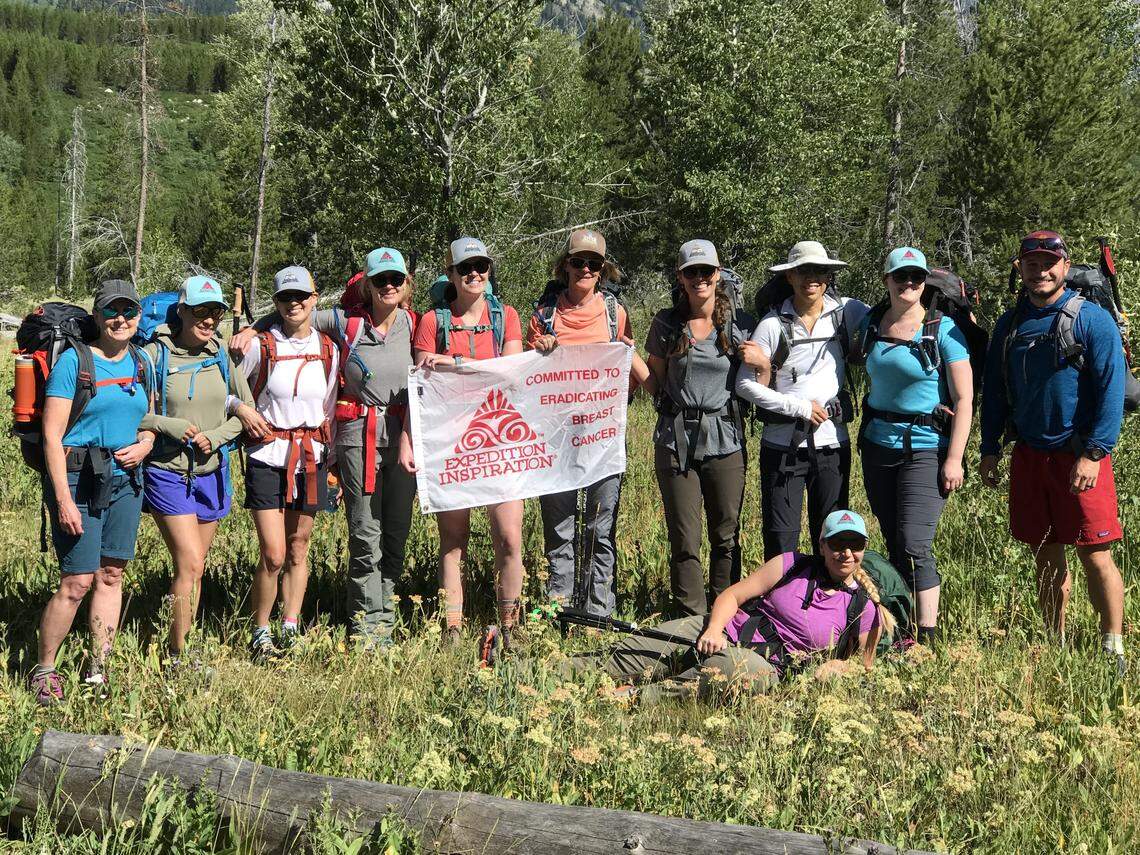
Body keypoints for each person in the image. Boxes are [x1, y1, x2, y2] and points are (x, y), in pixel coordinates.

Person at [231, 249, 418, 647]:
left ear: (405, 285)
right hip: (357, 437)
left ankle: (387, 618)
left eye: (396, 280)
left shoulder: (414, 324)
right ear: (366, 284)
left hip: (402, 435)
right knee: (365, 532)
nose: (388, 286)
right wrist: (251, 329)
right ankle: (366, 628)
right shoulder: (344, 322)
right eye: (380, 279)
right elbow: (291, 316)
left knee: (397, 532)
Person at [979, 230, 1127, 674]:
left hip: (1080, 456)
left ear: (1064, 267)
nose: (1040, 270)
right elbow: (995, 394)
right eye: (1031, 262)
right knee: (1045, 550)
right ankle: (1055, 639)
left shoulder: (1092, 320)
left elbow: (1111, 390)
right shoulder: (1009, 325)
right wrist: (989, 448)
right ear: (1019, 268)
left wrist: (1095, 452)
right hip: (1029, 455)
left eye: (1049, 262)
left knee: (1095, 553)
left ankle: (1112, 645)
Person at [556, 510, 892, 704]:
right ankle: (523, 673)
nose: (845, 553)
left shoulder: (864, 606)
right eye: (837, 544)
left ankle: (631, 698)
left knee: (738, 674)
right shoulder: (791, 564)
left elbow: (865, 666)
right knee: (631, 654)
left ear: (864, 547)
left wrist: (837, 669)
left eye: (855, 544)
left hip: (764, 665)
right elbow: (732, 596)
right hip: (721, 631)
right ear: (822, 545)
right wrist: (714, 629)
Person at [29, 279, 155, 704]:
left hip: (125, 480)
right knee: (77, 580)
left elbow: (148, 417)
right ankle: (45, 668)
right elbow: (51, 436)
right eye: (112, 312)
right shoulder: (74, 364)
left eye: (129, 311)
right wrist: (62, 499)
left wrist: (147, 444)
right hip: (78, 478)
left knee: (111, 574)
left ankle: (98, 668)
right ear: (97, 316)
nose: (122, 319)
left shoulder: (141, 360)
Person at [403, 236, 525, 644]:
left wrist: (456, 363)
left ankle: (510, 626)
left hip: (499, 436)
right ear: (451, 274)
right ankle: (452, 628)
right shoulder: (432, 322)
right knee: (453, 540)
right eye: (466, 269)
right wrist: (409, 439)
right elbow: (420, 385)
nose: (476, 275)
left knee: (509, 537)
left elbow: (510, 373)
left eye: (482, 267)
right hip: (450, 440)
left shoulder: (506, 316)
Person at [527, 228, 649, 617]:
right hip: (556, 439)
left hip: (602, 438)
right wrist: (540, 351)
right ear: (565, 266)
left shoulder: (616, 316)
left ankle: (598, 613)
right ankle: (559, 611)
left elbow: (632, 378)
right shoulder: (543, 316)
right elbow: (527, 379)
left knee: (601, 529)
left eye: (593, 264)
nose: (585, 269)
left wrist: (630, 357)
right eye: (578, 262)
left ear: (602, 271)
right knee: (559, 528)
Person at [855, 247, 972, 646]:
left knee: (915, 543)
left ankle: (927, 637)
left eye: (916, 278)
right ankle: (900, 627)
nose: (908, 284)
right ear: (886, 280)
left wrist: (954, 459)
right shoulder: (872, 323)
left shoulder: (944, 330)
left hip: (926, 447)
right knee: (892, 539)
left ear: (925, 283)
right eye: (900, 277)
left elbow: (964, 400)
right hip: (877, 446)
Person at [140, 275, 252, 663]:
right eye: (201, 310)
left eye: (216, 311)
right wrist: (168, 426)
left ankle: (182, 642)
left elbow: (246, 413)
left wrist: (217, 437)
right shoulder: (156, 356)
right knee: (189, 561)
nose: (209, 319)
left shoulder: (221, 354)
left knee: (196, 568)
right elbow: (135, 414)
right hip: (167, 472)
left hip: (212, 472)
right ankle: (178, 654)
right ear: (182, 311)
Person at [735, 240, 868, 559]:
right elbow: (744, 385)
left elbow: (891, 323)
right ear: (789, 277)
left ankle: (826, 606)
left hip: (832, 445)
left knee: (833, 538)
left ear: (829, 275)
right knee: (781, 540)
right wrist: (799, 408)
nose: (812, 277)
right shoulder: (771, 324)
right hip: (782, 446)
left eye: (819, 270)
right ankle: (781, 606)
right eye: (803, 270)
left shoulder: (848, 312)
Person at [644, 239, 753, 616]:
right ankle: (690, 618)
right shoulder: (666, 323)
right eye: (692, 272)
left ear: (718, 274)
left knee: (726, 536)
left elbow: (755, 384)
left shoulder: (739, 325)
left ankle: (726, 614)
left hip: (726, 437)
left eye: (706, 271)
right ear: (681, 277)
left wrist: (766, 367)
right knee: (684, 537)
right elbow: (656, 383)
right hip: (676, 440)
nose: (700, 279)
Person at [235, 266, 338, 659]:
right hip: (267, 454)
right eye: (284, 298)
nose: (294, 303)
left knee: (298, 547)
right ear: (275, 303)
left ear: (314, 299)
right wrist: (241, 412)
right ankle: (260, 628)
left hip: (310, 456)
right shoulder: (261, 346)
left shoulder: (330, 348)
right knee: (274, 552)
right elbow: (235, 390)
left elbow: (328, 405)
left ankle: (290, 625)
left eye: (301, 296)